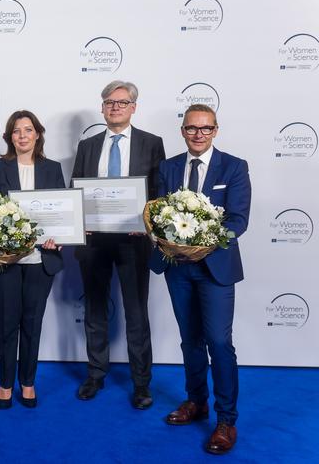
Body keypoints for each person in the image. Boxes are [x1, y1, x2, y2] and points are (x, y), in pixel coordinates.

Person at [151, 104, 250, 455]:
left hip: (216, 268)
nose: (198, 134)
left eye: (205, 128)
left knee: (219, 343)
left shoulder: (234, 166)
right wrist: (168, 240)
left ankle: (226, 420)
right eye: (192, 128)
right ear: (183, 130)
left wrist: (204, 239)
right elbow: (158, 214)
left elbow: (238, 219)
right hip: (177, 266)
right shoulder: (168, 167)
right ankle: (196, 402)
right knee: (189, 340)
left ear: (216, 130)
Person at [70, 80, 165, 409]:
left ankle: (141, 383)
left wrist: (148, 225)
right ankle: (95, 373)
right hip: (94, 240)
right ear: (102, 107)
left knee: (136, 313)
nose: (115, 107)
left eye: (122, 102)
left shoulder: (152, 144)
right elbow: (75, 191)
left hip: (134, 241)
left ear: (134, 107)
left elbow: (158, 194)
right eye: (109, 102)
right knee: (95, 310)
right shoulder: (88, 145)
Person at [0, 110, 65, 409]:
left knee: (33, 323)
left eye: (28, 130)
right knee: (7, 323)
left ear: (38, 134)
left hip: (41, 260)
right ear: (10, 137)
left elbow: (61, 211)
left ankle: (27, 382)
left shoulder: (53, 169)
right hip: (6, 261)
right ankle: (6, 384)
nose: (23, 136)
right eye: (17, 131)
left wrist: (59, 238)